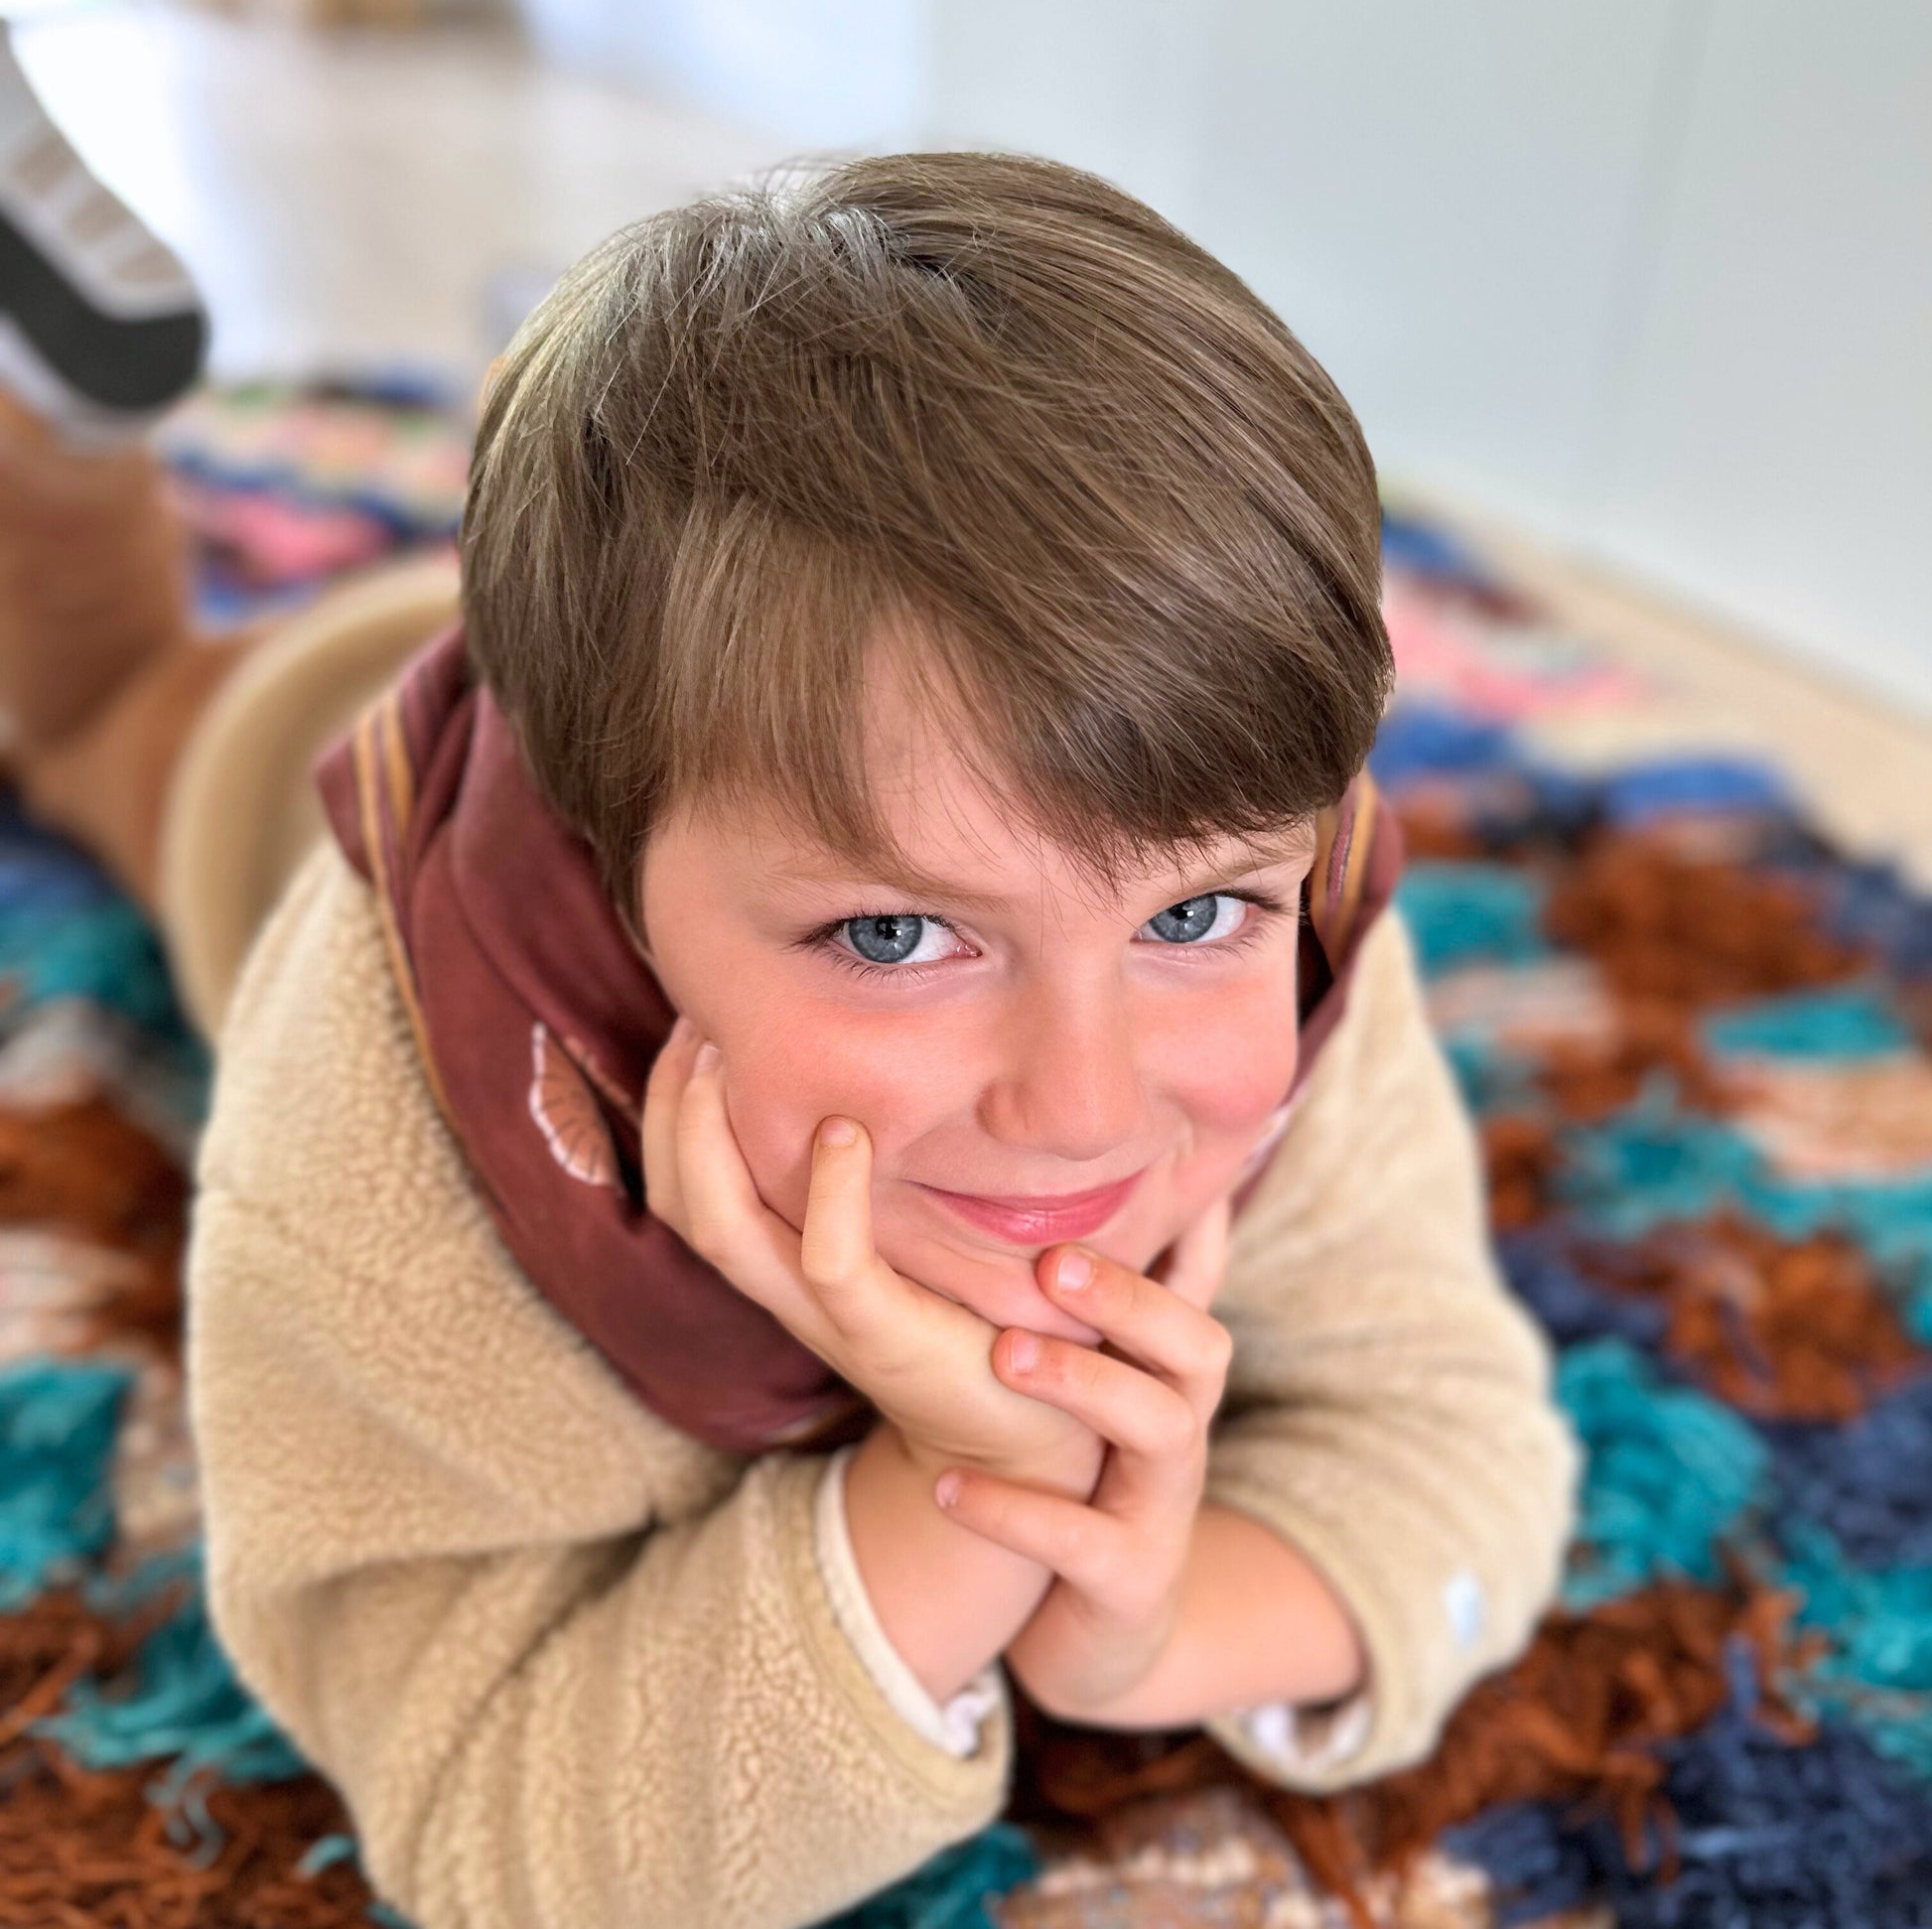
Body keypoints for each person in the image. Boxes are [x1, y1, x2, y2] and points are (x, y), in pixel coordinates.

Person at [0, 137, 1577, 1929]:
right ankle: (62, 433)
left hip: (701, 704)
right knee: (93, 710)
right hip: (277, 750)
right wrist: (967, 1489)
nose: (1084, 1106)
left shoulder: (1282, 943)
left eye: (1191, 914)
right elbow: (488, 1829)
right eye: (898, 933)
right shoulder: (391, 1117)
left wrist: (1141, 1622)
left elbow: (1457, 1447)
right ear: (616, 903)